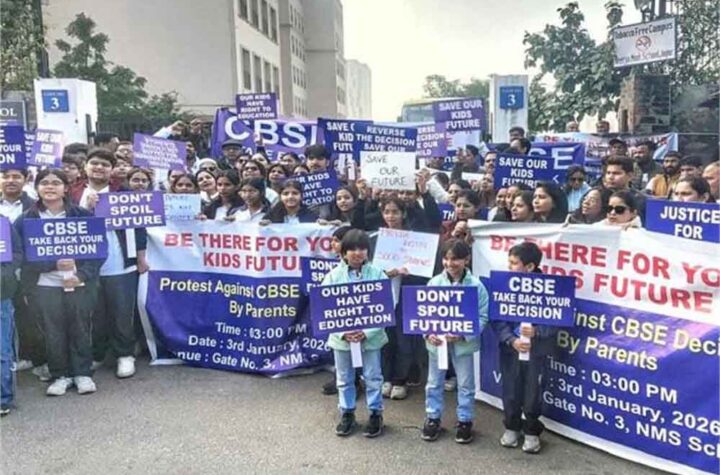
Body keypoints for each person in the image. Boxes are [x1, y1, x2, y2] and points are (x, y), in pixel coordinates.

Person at [15, 169, 104, 396]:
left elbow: (99, 250)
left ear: (66, 188)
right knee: (52, 331)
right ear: (37, 188)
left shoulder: (82, 215)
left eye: (56, 183)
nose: (50, 187)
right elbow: (20, 255)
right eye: (44, 182)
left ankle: (82, 373)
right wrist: (52, 264)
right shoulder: (26, 219)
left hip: (79, 283)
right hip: (44, 286)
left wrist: (81, 275)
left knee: (80, 328)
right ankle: (60, 375)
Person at [421, 239, 488, 444]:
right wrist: (428, 333)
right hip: (437, 344)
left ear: (466, 259)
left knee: (466, 383)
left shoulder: (476, 285)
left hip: (463, 344)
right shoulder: (434, 283)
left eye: (455, 259)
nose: (450, 263)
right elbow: (423, 313)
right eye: (446, 258)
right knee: (434, 382)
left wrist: (463, 335)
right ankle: (433, 417)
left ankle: (465, 420)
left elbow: (483, 316)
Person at [322, 229, 388, 438]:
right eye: (352, 249)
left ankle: (375, 413)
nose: (357, 253)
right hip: (341, 340)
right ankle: (347, 413)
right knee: (344, 378)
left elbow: (386, 306)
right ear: (344, 252)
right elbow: (324, 307)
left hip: (370, 339)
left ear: (368, 251)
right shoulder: (332, 276)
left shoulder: (378, 274)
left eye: (362, 248)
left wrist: (366, 332)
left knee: (373, 377)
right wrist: (343, 332)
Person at [493, 242, 558, 453]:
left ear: (529, 267)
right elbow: (497, 319)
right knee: (510, 391)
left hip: (536, 352)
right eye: (509, 262)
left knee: (533, 392)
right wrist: (511, 340)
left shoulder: (550, 288)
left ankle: (531, 431)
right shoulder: (504, 284)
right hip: (511, 350)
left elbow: (557, 319)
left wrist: (538, 331)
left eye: (514, 263)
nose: (509, 267)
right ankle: (511, 427)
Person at [0, 221, 22, 415]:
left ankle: (3, 398)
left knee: (2, 349)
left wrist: (4, 274)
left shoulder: (3, 223)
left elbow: (16, 253)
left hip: (1, 294)